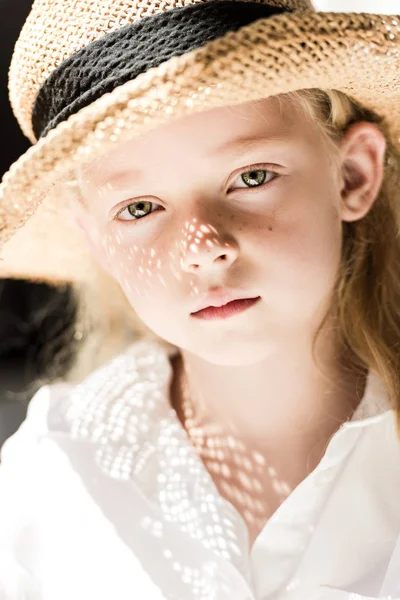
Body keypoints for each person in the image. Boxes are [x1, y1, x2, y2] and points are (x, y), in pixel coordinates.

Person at [0, 0, 399, 598]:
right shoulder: (53, 479)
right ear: (97, 241)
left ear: (353, 176)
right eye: (139, 208)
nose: (204, 248)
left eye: (252, 176)